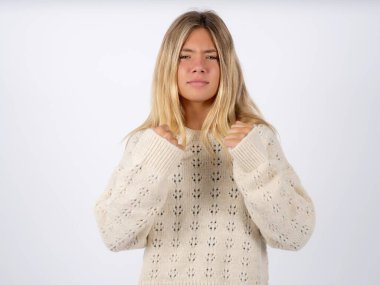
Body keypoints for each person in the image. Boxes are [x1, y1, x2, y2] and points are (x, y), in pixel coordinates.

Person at [94, 10, 316, 285]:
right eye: (184, 56)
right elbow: (114, 235)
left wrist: (253, 162)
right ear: (168, 65)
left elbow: (294, 235)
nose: (198, 66)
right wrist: (153, 163)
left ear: (227, 65)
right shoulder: (147, 143)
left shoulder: (257, 139)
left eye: (211, 56)